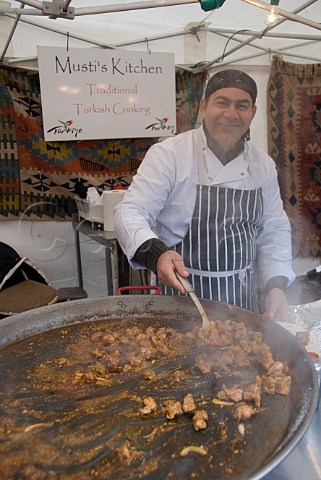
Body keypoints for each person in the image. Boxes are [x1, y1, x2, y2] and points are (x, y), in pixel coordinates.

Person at [114, 69, 295, 322]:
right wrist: (156, 254)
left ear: (253, 113)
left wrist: (277, 285)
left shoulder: (262, 165)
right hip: (181, 295)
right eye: (222, 103)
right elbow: (130, 210)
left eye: (242, 106)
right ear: (203, 106)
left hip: (243, 299)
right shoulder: (170, 154)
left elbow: (274, 229)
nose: (231, 114)